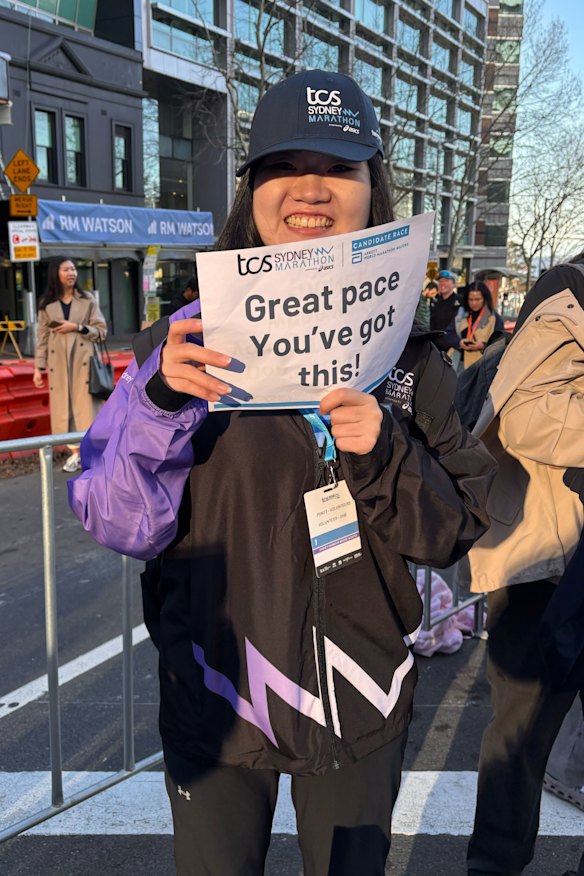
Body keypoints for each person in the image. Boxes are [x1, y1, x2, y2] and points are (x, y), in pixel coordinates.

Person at [69, 70, 495, 876]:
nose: (311, 189)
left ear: (373, 188)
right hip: (218, 698)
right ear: (252, 188)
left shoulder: (410, 357)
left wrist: (386, 453)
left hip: (362, 703)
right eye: (284, 165)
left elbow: (457, 526)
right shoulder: (181, 343)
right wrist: (160, 405)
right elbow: (114, 516)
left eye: (339, 167)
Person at [464, 252, 584, 876]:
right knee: (522, 729)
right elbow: (527, 417)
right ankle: (494, 866)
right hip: (548, 560)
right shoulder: (571, 290)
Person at [32, 256, 107, 473]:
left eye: (73, 269)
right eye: (66, 269)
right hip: (58, 364)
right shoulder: (46, 305)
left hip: (83, 362)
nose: (71, 273)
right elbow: (42, 337)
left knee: (86, 409)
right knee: (65, 409)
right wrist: (38, 367)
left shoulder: (87, 300)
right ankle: (76, 453)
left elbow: (101, 331)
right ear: (56, 273)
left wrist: (76, 327)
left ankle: (88, 453)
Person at [456, 281, 504, 369]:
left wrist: (483, 345)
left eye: (477, 299)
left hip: (482, 365)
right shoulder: (461, 314)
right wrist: (459, 342)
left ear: (484, 299)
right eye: (471, 300)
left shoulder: (494, 318)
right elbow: (449, 334)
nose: (474, 303)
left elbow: (500, 342)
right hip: (460, 363)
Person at [429, 269, 461, 353]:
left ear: (454, 284)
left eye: (446, 280)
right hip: (435, 348)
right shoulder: (435, 301)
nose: (442, 283)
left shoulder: (460, 301)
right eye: (440, 281)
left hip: (453, 348)